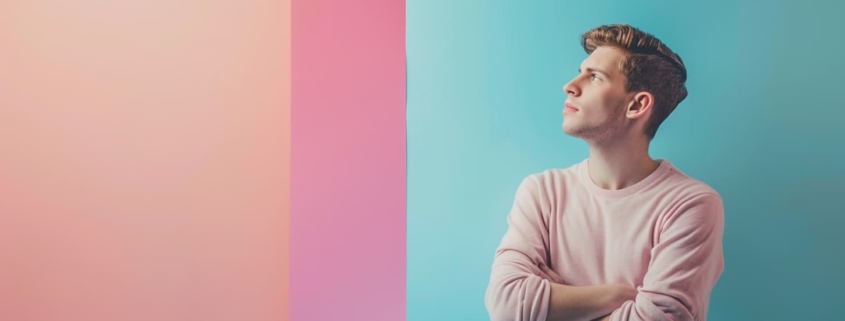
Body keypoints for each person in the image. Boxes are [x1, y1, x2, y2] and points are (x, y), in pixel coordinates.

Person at [484, 24, 725, 321]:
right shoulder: (542, 192)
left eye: (595, 76)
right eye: (581, 71)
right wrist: (620, 296)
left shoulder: (690, 204)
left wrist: (553, 308)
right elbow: (506, 305)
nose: (571, 85)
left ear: (637, 105)